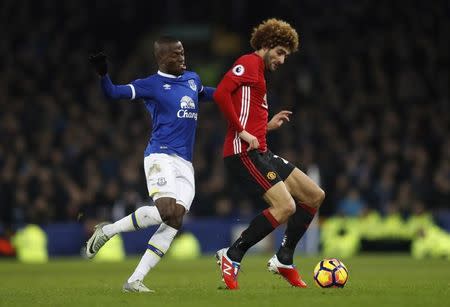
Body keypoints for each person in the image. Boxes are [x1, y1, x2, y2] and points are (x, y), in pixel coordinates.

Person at [86, 36, 215, 292]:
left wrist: (236, 90)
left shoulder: (193, 79)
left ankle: (135, 280)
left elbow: (210, 94)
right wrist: (103, 75)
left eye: (183, 53)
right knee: (167, 211)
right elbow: (113, 93)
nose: (182, 58)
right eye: (176, 55)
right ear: (161, 58)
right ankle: (108, 231)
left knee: (175, 220)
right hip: (160, 155)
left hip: (185, 164)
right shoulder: (151, 85)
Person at [213, 19, 325, 290]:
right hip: (242, 153)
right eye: (280, 52)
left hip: (261, 150)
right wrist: (242, 132)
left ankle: (284, 259)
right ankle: (233, 255)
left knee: (314, 195)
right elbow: (220, 94)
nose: (282, 60)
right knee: (285, 206)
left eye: (285, 54)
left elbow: (246, 115)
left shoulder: (259, 73)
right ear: (265, 46)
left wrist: (266, 126)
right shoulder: (249, 63)